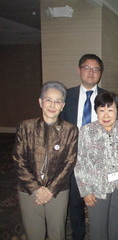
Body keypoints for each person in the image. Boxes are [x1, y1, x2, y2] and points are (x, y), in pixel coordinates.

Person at [12, 81, 78, 240]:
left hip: (58, 191)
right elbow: (18, 160)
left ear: (63, 105)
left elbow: (70, 162)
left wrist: (50, 189)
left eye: (57, 101)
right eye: (48, 100)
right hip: (28, 189)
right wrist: (36, 188)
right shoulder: (25, 126)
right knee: (34, 234)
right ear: (40, 102)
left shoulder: (70, 130)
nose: (52, 105)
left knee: (57, 233)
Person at [60, 53, 107, 240]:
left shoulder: (108, 97)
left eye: (96, 69)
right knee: (75, 203)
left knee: (98, 204)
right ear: (79, 70)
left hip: (98, 161)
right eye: (87, 68)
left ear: (100, 73)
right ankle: (78, 235)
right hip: (72, 159)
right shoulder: (66, 96)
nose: (91, 72)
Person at [74, 92, 118, 240]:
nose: (106, 115)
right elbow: (80, 162)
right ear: (96, 111)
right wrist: (86, 191)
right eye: (102, 110)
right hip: (96, 189)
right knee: (98, 230)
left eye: (111, 110)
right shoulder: (86, 131)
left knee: (116, 227)